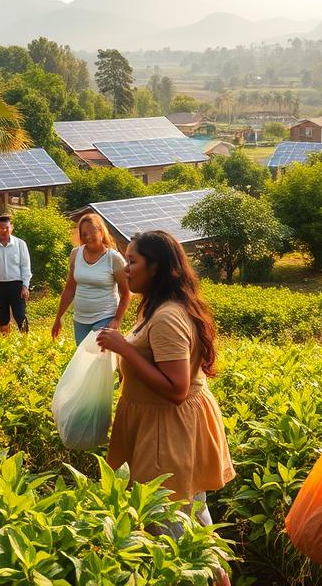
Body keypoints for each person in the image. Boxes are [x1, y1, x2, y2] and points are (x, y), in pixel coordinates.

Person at [97, 232, 234, 553]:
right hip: (161, 427)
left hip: (167, 434)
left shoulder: (168, 317)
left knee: (171, 532)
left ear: (155, 267)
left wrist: (125, 351)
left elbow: (176, 388)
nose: (125, 268)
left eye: (132, 261)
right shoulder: (157, 308)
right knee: (196, 528)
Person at [51, 213, 130, 345]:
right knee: (83, 360)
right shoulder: (76, 254)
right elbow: (70, 288)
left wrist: (117, 320)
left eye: (91, 232)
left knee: (97, 360)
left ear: (101, 231)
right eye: (84, 234)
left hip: (105, 318)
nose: (87, 237)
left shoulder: (113, 258)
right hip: (80, 320)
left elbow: (126, 293)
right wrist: (59, 317)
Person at [0, 215, 32, 335]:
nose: (4, 230)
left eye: (6, 228)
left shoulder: (20, 244)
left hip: (16, 285)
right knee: (3, 319)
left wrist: (25, 286)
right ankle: (6, 345)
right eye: (0, 228)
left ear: (11, 228)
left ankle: (26, 344)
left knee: (20, 316)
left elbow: (25, 266)